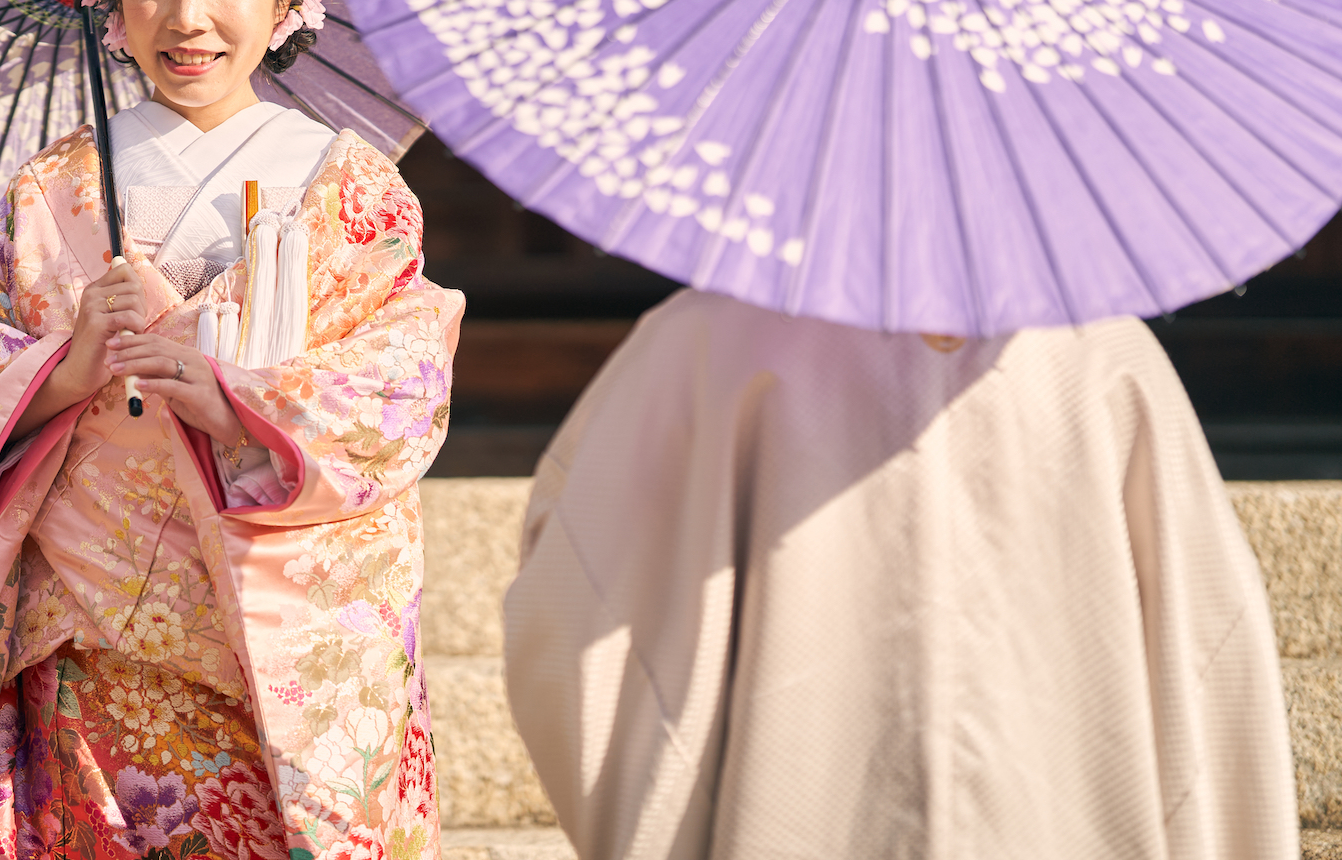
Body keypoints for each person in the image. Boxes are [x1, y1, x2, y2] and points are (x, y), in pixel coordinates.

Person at [0, 0, 461, 860]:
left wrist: (232, 395)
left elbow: (399, 378)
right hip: (80, 603)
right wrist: (64, 368)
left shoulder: (346, 183)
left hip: (262, 603)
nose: (186, 17)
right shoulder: (50, 188)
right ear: (108, 1)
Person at [503, 288, 1297, 860]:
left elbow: (575, 603)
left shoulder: (703, 337)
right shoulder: (1103, 349)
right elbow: (1211, 638)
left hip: (782, 813)